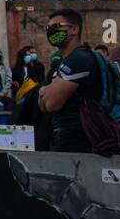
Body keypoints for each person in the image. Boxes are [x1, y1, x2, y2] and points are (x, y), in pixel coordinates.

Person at [37, 8, 110, 153]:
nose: (51, 31)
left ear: (74, 29)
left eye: (57, 26)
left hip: (76, 135)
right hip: (63, 132)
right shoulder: (66, 61)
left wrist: (44, 90)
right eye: (48, 28)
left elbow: (51, 104)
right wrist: (46, 92)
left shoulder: (79, 59)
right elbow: (42, 106)